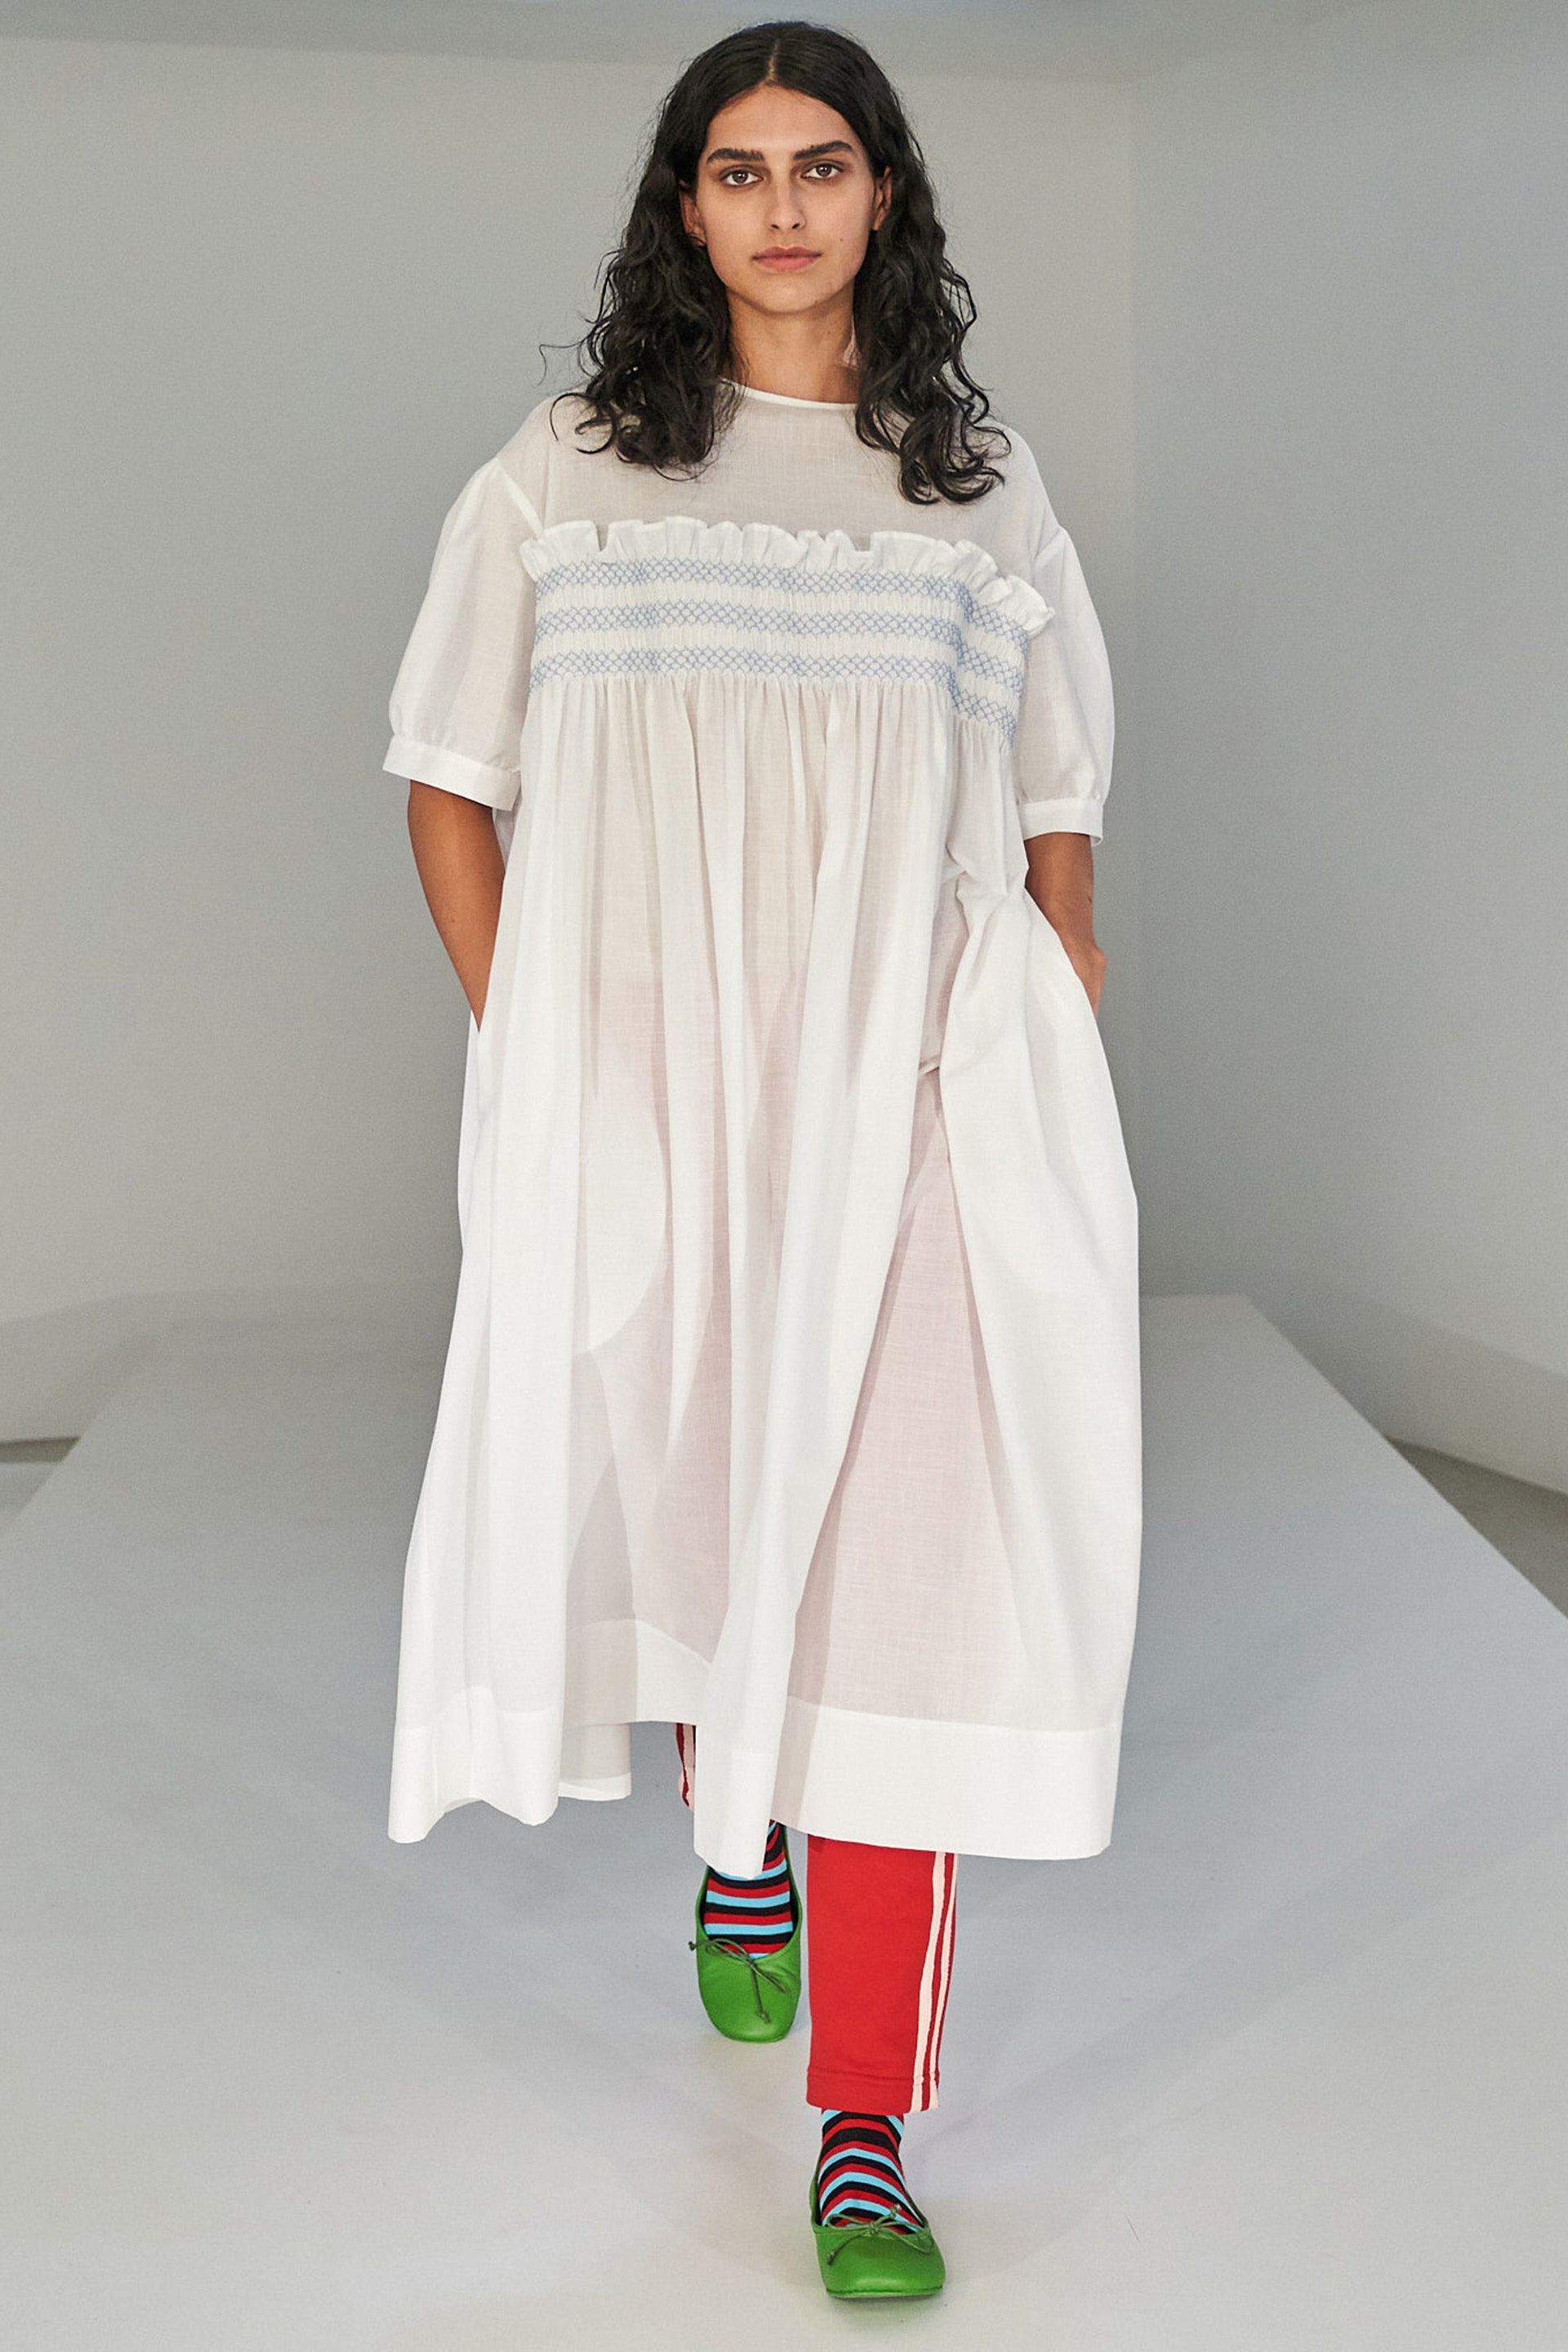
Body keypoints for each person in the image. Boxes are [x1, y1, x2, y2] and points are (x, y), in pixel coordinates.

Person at [380, 18, 1142, 2303]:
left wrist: (1045, 1014)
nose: (784, 206)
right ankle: (744, 1841)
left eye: (824, 164)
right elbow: (446, 776)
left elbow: (1057, 790)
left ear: (884, 195)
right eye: (740, 168)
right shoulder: (572, 470)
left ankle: (865, 2133)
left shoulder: (975, 479)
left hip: (912, 1109)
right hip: (658, 1106)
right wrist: (542, 1053)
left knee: (908, 1581)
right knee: (717, 1492)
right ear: (685, 205)